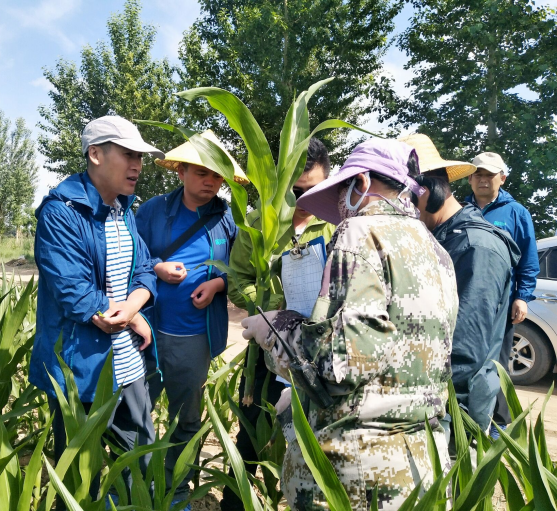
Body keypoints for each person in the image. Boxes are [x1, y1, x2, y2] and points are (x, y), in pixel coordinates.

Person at [241, 138, 458, 510]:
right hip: (420, 461)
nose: (340, 206)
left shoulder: (359, 233)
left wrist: (276, 330)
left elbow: (340, 366)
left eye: (342, 191)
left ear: (361, 182)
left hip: (354, 469)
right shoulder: (432, 246)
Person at [29, 116, 160, 507]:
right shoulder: (61, 213)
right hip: (81, 370)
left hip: (128, 364)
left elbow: (145, 268)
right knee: (78, 478)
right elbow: (76, 295)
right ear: (96, 154)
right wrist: (128, 314)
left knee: (142, 468)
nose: (137, 165)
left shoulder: (124, 210)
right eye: (128, 154)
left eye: (140, 156)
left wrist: (133, 308)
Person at [220, 137, 335, 511]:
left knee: (314, 440)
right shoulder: (258, 222)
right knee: (251, 434)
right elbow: (238, 280)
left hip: (317, 353)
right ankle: (236, 503)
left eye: (315, 190)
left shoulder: (336, 224)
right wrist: (279, 311)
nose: (306, 200)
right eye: (297, 191)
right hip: (267, 352)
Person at [135, 130, 245, 509]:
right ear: (180, 171)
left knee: (186, 420)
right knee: (135, 414)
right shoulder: (152, 211)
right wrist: (157, 267)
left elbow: (243, 269)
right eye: (201, 173)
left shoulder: (227, 218)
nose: (210, 182)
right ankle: (136, 484)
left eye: (216, 175)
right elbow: (128, 257)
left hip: (195, 338)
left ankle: (177, 492)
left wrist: (218, 284)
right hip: (146, 332)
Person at [401, 134, 520, 433]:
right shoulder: (442, 236)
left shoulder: (476, 248)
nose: (403, 210)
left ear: (426, 192)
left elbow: (465, 351)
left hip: (453, 412)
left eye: (404, 199)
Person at [465, 152, 539, 434]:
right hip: (465, 303)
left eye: (490, 175)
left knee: (497, 365)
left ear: (503, 178)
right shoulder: (462, 210)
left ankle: (499, 425)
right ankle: (463, 419)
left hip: (501, 304)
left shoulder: (516, 213)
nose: (483, 180)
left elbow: (528, 260)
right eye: (478, 175)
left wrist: (522, 296)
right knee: (464, 361)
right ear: (470, 179)